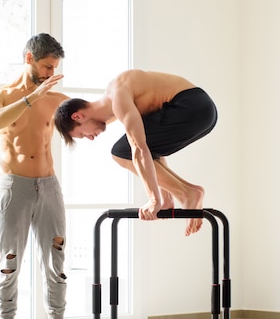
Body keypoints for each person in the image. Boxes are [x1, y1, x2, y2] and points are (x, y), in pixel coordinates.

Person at [0, 33, 82, 319]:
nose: (50, 73)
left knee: (56, 261)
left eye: (54, 67)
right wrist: (32, 96)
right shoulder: (1, 96)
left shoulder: (56, 100)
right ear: (29, 59)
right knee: (8, 264)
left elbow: (91, 117)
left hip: (49, 186)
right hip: (14, 187)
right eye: (46, 66)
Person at [54, 69, 217, 236]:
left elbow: (139, 150)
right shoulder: (116, 102)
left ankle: (187, 193)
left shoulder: (118, 96)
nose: (90, 138)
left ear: (77, 117)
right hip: (202, 110)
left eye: (82, 134)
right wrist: (164, 198)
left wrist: (154, 200)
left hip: (191, 107)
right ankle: (185, 193)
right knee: (133, 146)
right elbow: (152, 146)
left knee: (121, 152)